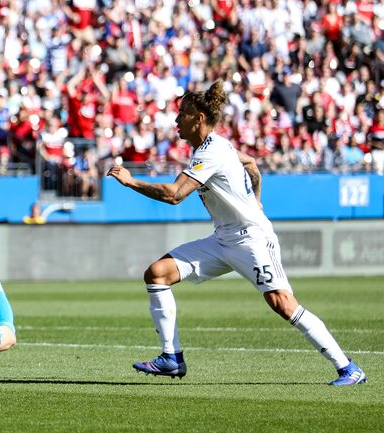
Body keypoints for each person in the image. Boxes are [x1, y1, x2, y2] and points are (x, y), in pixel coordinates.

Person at [106, 80, 366, 386]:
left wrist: (130, 182)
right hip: (223, 238)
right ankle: (171, 358)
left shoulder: (211, 152)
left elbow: (175, 194)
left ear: (198, 118)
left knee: (283, 303)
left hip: (251, 239)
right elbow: (252, 164)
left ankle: (349, 368)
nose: (177, 121)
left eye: (182, 115)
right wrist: (255, 198)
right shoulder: (217, 146)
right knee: (157, 274)